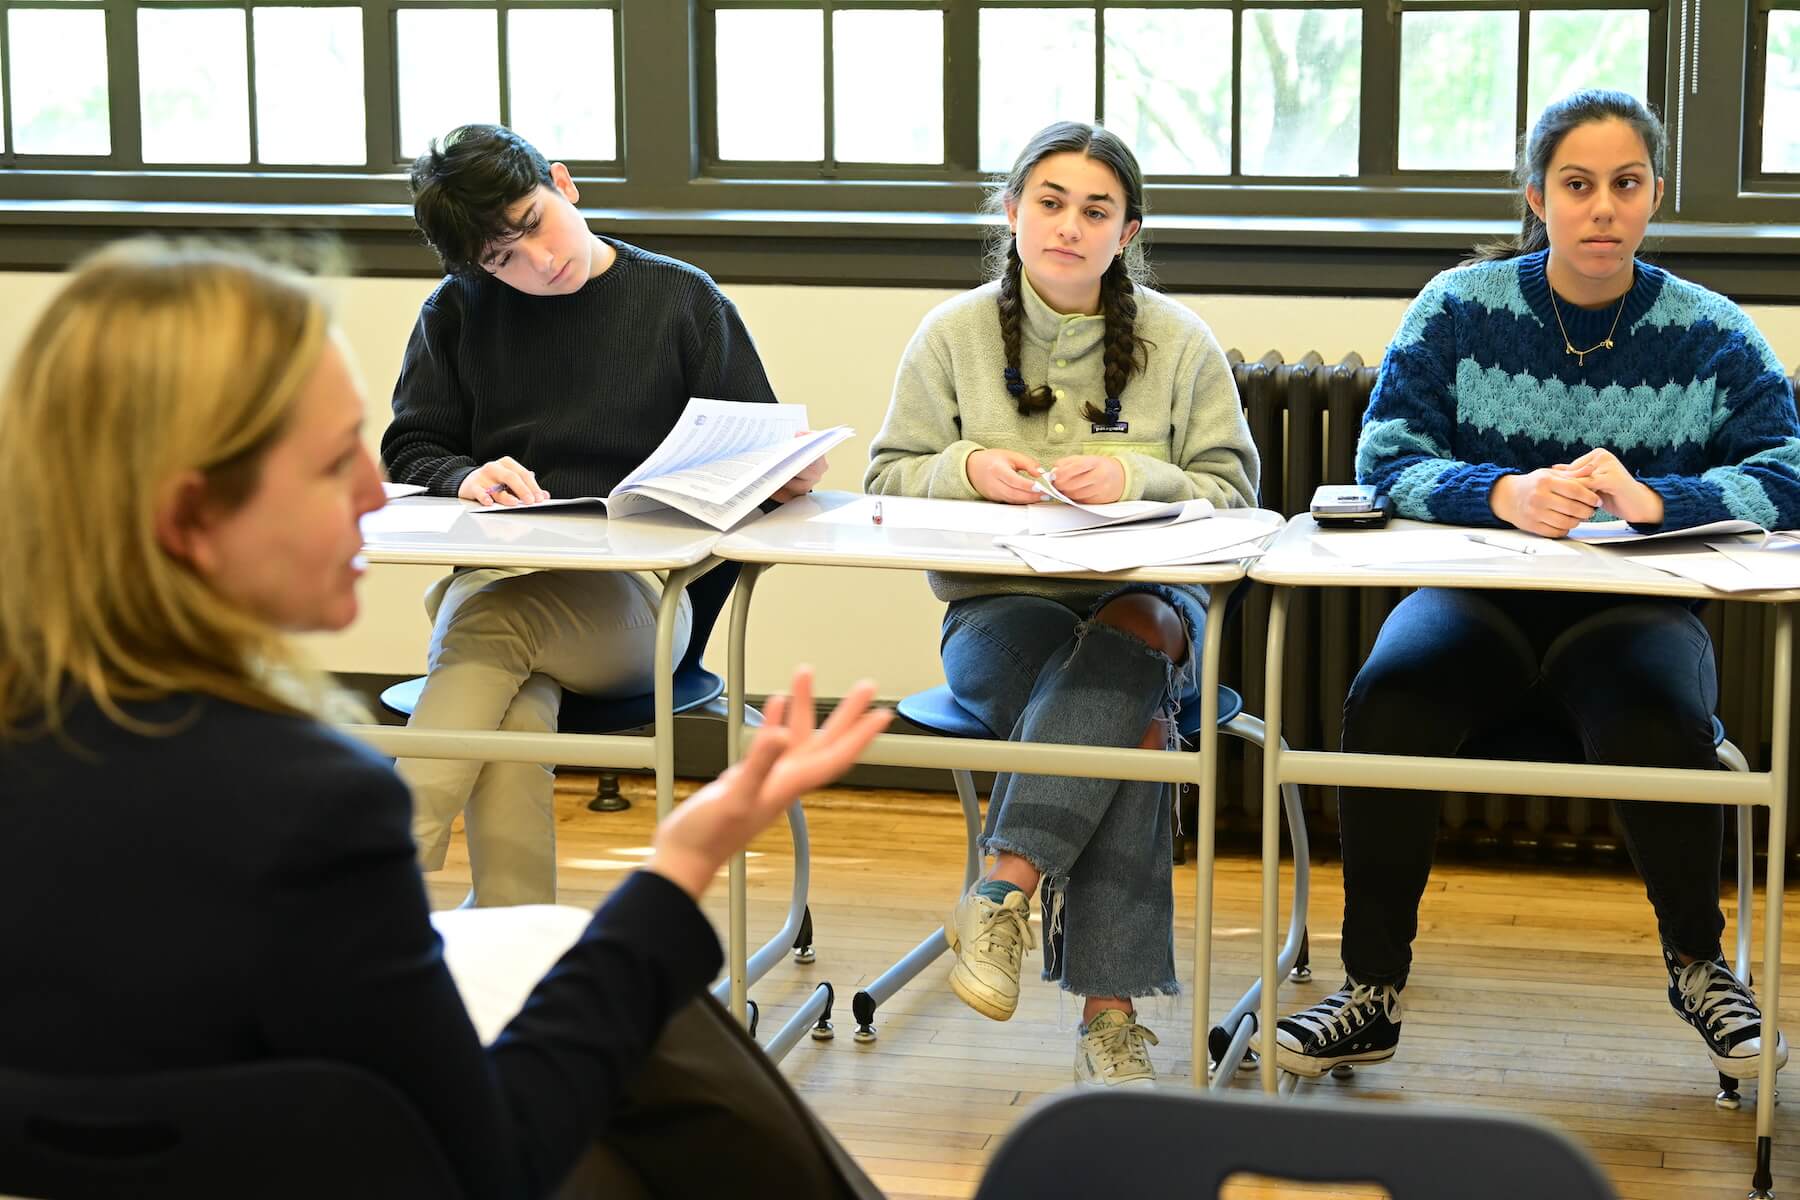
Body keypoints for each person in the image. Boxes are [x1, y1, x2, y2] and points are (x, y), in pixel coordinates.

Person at [0, 240, 889, 1199]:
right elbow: (492, 1161)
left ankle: (507, 900)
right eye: (331, 459)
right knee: (661, 1063)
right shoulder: (312, 815)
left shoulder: (73, 758)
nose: (370, 494)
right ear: (190, 516)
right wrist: (680, 866)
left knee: (506, 684)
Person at [1274, 90, 1800, 1084]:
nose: (1602, 208)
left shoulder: (1713, 332)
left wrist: (1659, 500)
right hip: (1475, 601)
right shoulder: (1460, 308)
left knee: (1657, 719)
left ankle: (1700, 966)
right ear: (1537, 197)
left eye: (1626, 185)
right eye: (1577, 185)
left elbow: (1785, 472)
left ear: (1654, 199)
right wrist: (1501, 491)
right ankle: (1373, 990)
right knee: (1389, 697)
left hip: (1634, 610)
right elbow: (1384, 455)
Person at [865, 121, 1260, 1088]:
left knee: (1138, 635)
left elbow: (1238, 493)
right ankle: (1109, 1024)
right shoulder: (952, 335)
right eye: (1050, 203)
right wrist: (965, 469)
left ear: (1127, 233)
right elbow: (885, 476)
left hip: (1146, 602)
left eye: (1096, 211)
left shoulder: (1178, 340)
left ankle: (1003, 888)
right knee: (1135, 735)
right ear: (1011, 212)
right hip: (999, 612)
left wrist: (1139, 475)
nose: (1070, 227)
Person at [382, 123, 828, 906]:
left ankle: (370, 890)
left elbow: (762, 448)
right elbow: (412, 445)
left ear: (563, 182)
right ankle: (511, 942)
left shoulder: (680, 299)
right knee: (514, 719)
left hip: (645, 606)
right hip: (499, 576)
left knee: (491, 624)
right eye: (500, 260)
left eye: (533, 224)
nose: (538, 262)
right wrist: (463, 474)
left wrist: (785, 474)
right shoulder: (458, 310)